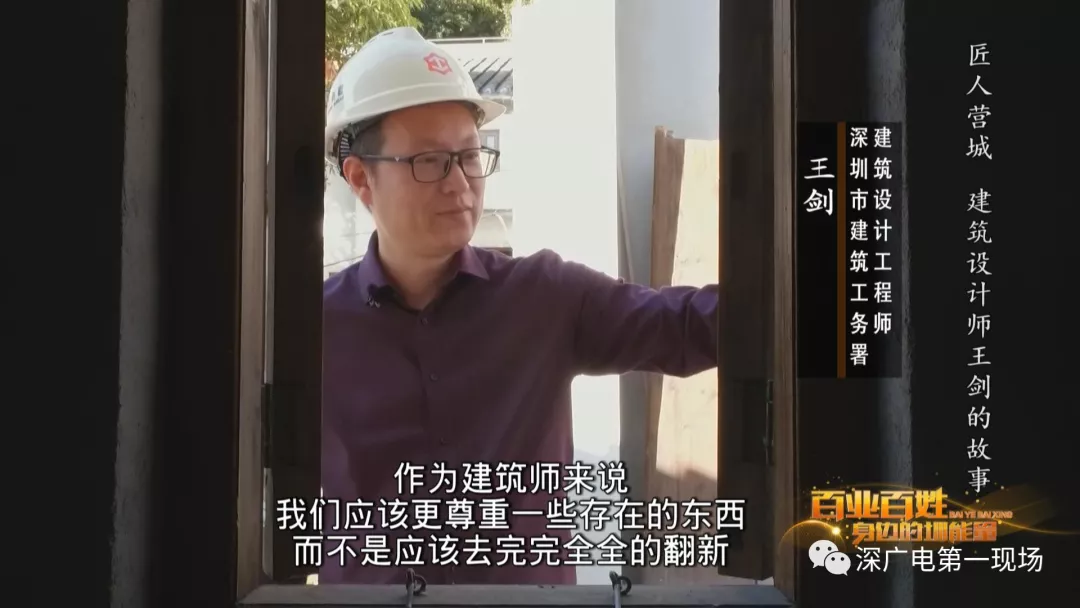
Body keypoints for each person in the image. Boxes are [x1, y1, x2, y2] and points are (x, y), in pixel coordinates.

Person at [320, 27, 719, 585]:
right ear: (361, 179)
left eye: (470, 156)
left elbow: (686, 325)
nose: (460, 184)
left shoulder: (543, 297)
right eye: (430, 161)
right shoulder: (314, 331)